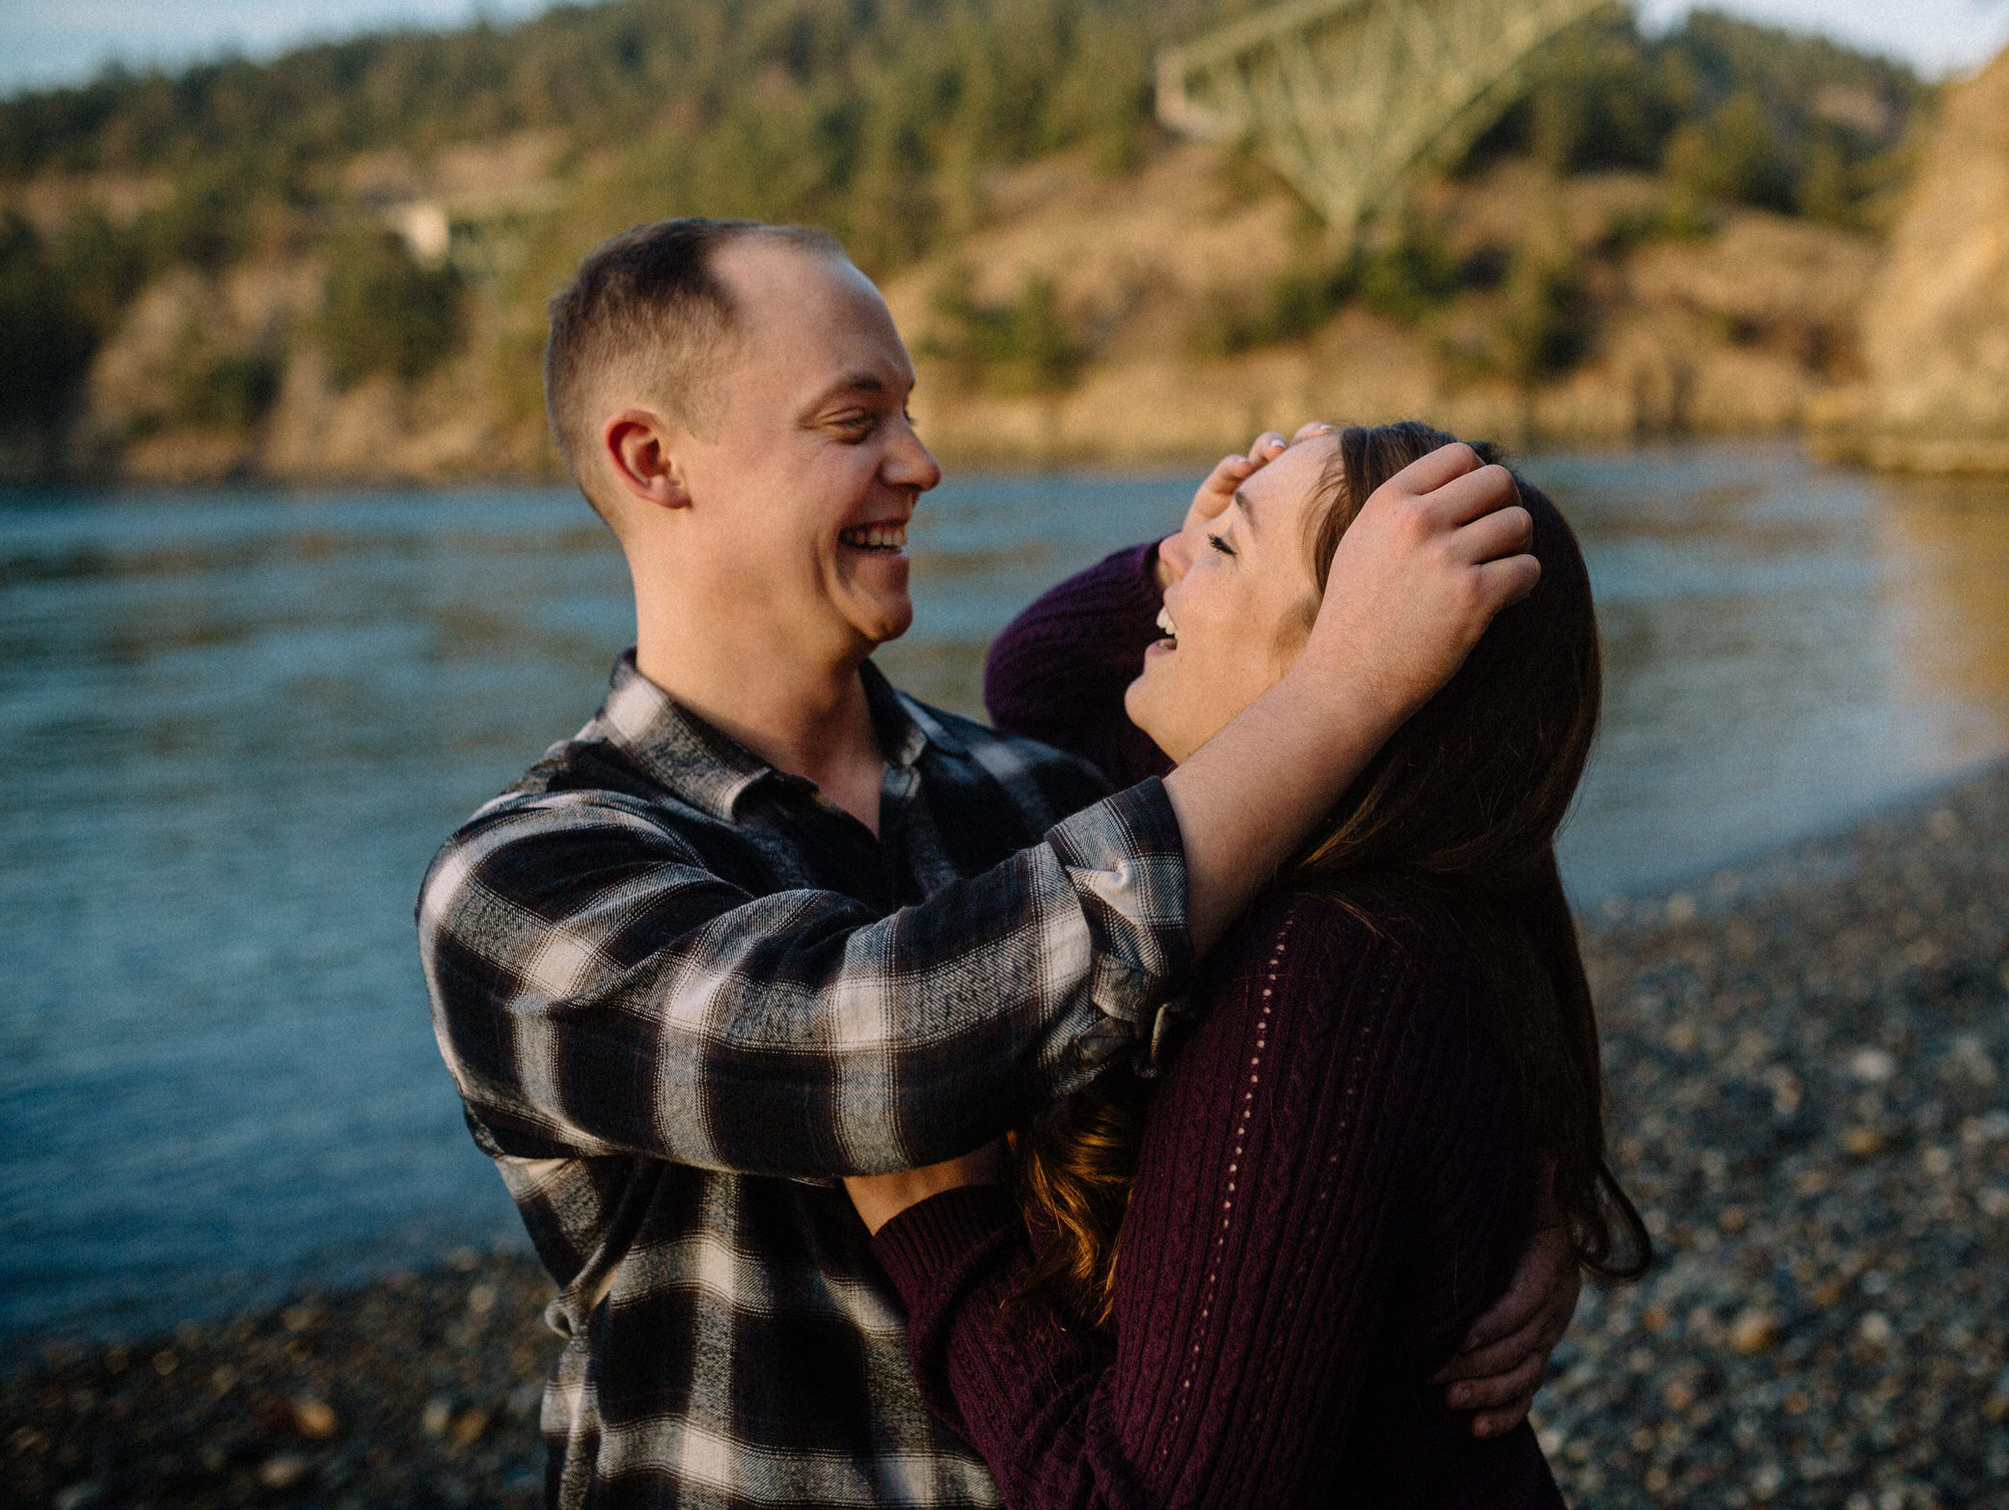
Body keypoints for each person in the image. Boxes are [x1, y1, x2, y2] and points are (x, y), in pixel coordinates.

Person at [415, 221, 1576, 1509]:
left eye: (909, 412)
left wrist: (1514, 1182)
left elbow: (1428, 855)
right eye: (854, 420)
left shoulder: (1040, 791)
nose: (922, 462)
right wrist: (1348, 674)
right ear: (655, 461)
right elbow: (871, 1049)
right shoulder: (525, 883)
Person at [844, 422, 1652, 1508]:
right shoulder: (1414, 889)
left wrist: (935, 1218)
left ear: (1366, 649)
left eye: (1224, 552)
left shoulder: (1316, 981)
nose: (1174, 569)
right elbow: (1036, 686)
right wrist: (1185, 557)